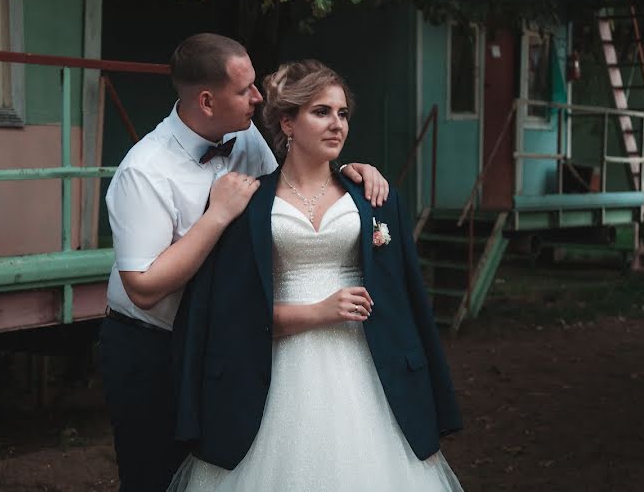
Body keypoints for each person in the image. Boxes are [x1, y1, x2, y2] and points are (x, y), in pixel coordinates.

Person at [99, 35, 389, 492]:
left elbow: (294, 187)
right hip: (152, 346)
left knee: (220, 465)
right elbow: (144, 287)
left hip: (225, 340)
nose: (258, 97)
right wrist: (216, 215)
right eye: (245, 89)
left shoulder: (245, 135)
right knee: (154, 475)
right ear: (207, 100)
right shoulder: (145, 171)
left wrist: (351, 176)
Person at [171, 60, 464, 492]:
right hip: (275, 375)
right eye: (321, 112)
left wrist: (428, 407)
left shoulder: (374, 198)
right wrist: (318, 312)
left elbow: (410, 307)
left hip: (367, 373)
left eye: (342, 113)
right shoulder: (249, 206)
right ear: (287, 122)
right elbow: (230, 317)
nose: (337, 125)